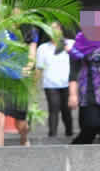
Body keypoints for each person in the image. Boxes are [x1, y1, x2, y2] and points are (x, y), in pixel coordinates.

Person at [0, 22, 38, 146]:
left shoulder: (30, 31)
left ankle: (24, 138)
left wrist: (28, 67)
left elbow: (32, 55)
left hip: (19, 82)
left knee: (21, 124)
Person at [35, 23, 74, 138]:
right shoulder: (43, 48)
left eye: (56, 28)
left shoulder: (71, 44)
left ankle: (69, 133)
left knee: (66, 111)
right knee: (53, 109)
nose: (53, 31)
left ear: (61, 30)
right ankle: (52, 135)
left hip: (67, 83)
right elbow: (39, 68)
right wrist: (34, 86)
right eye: (50, 29)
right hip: (50, 84)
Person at [69, 10, 100, 145]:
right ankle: (75, 148)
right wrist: (72, 94)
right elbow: (73, 72)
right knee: (90, 125)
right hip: (88, 92)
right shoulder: (79, 44)